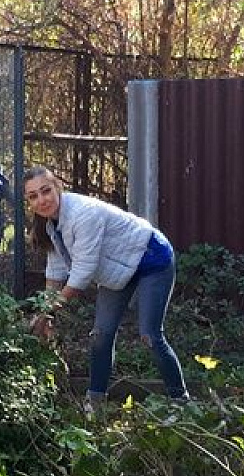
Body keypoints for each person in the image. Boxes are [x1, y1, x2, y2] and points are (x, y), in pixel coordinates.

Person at [22, 166, 188, 411]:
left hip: (151, 257)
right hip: (119, 270)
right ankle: (95, 404)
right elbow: (56, 271)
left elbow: (82, 274)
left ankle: (180, 403)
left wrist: (48, 312)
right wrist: (45, 313)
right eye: (33, 196)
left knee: (149, 335)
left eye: (45, 191)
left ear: (58, 187)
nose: (41, 200)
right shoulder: (51, 226)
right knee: (100, 335)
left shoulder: (83, 214)